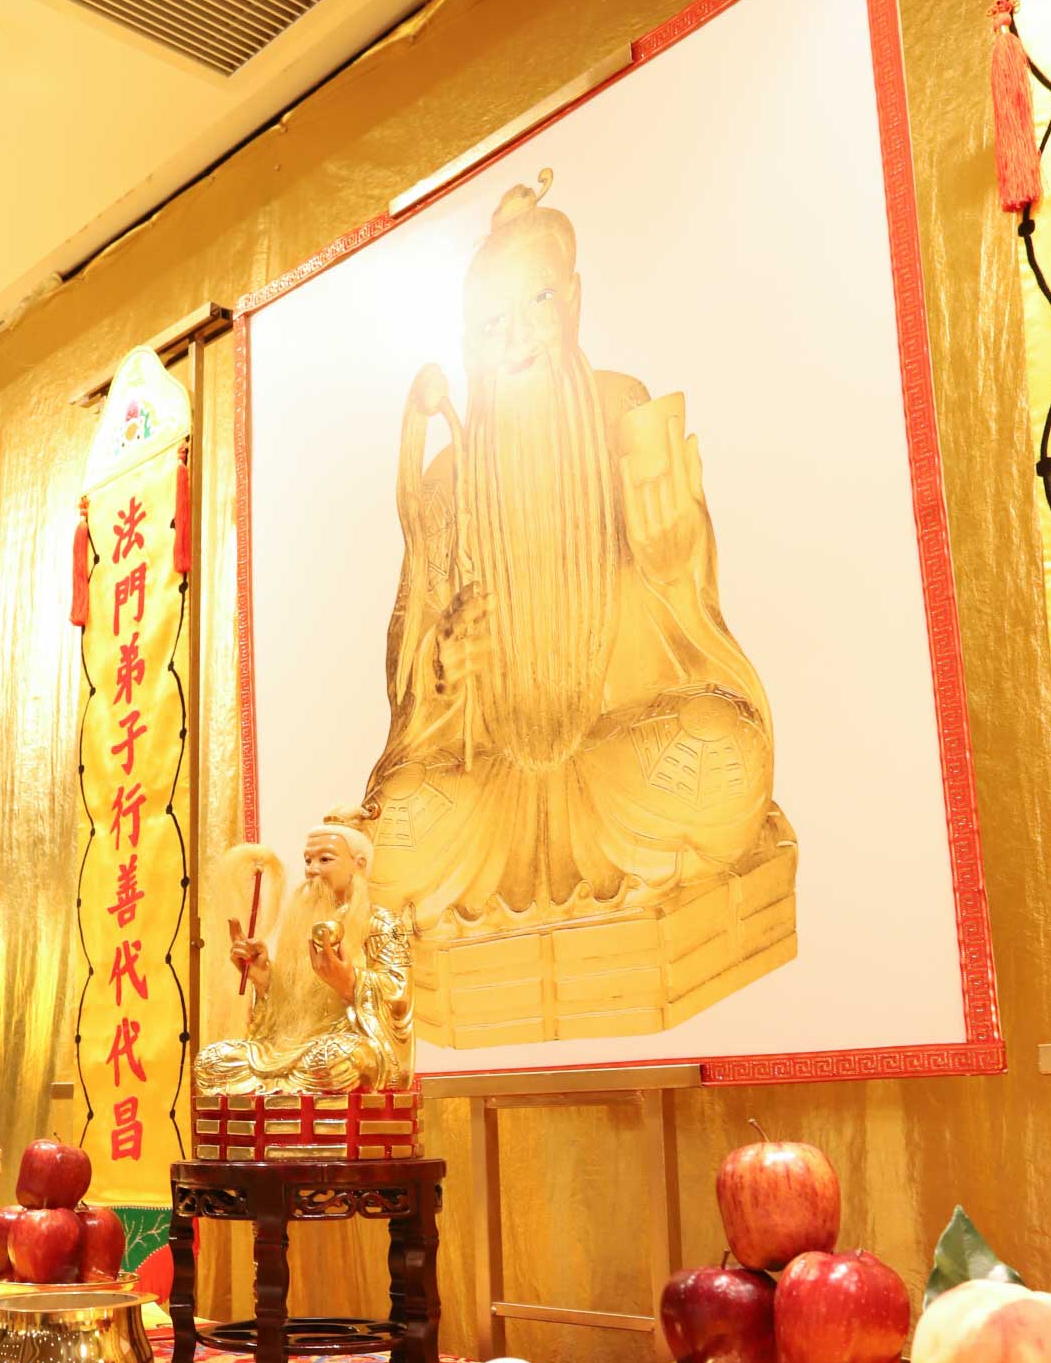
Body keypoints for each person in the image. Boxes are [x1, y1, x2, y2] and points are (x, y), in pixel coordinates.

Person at [363, 172, 791, 939]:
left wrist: (670, 560)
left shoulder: (619, 406)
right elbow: (413, 655)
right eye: (491, 323)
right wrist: (443, 665)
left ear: (573, 300)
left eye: (536, 303)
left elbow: (685, 606)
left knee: (718, 751)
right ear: (467, 342)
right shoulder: (448, 476)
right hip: (492, 792)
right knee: (391, 827)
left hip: (615, 759)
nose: (515, 338)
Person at [193, 821, 413, 1095]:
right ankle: (282, 1085)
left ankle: (274, 1085)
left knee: (340, 1060)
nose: (312, 870)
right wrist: (265, 979)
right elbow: (291, 1011)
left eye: (325, 860)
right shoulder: (301, 924)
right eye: (308, 861)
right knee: (211, 1060)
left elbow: (399, 997)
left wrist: (351, 982)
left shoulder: (383, 924)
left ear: (359, 864)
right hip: (293, 1049)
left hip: (343, 1046)